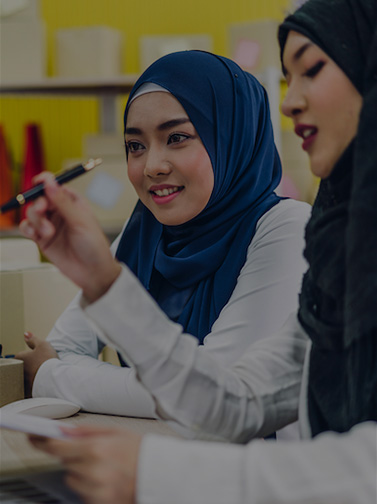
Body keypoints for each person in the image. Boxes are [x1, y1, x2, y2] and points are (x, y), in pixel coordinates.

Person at [21, 0, 377, 501]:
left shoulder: (288, 229)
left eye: (313, 69)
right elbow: (237, 401)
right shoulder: (343, 249)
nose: (290, 102)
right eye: (135, 145)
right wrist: (103, 279)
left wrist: (154, 471)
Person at [16, 50, 310, 441]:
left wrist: (54, 376)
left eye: (177, 138)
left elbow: (213, 393)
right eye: (135, 146)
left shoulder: (286, 229)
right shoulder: (143, 234)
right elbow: (64, 346)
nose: (152, 164)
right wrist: (73, 371)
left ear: (231, 137)